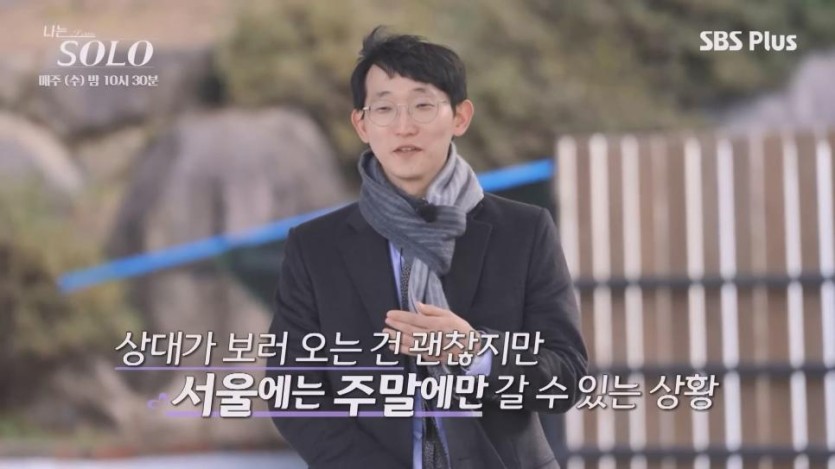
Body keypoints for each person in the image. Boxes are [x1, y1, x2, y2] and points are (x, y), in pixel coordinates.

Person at [267, 26, 588, 469]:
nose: (404, 126)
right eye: (384, 108)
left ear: (460, 117)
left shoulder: (524, 230)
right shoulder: (315, 247)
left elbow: (566, 377)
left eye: (422, 105)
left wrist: (476, 352)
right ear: (361, 124)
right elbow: (292, 392)